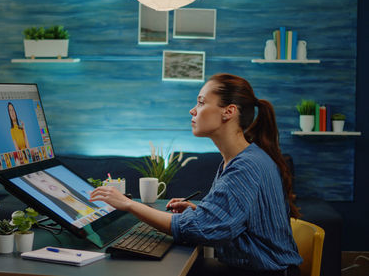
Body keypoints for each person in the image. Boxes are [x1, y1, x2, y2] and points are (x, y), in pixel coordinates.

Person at [90, 73, 302, 276]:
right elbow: (227, 218)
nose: (193, 110)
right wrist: (199, 209)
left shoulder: (246, 166)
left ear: (228, 111)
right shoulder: (241, 159)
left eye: (201, 102)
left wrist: (129, 205)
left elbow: (202, 229)